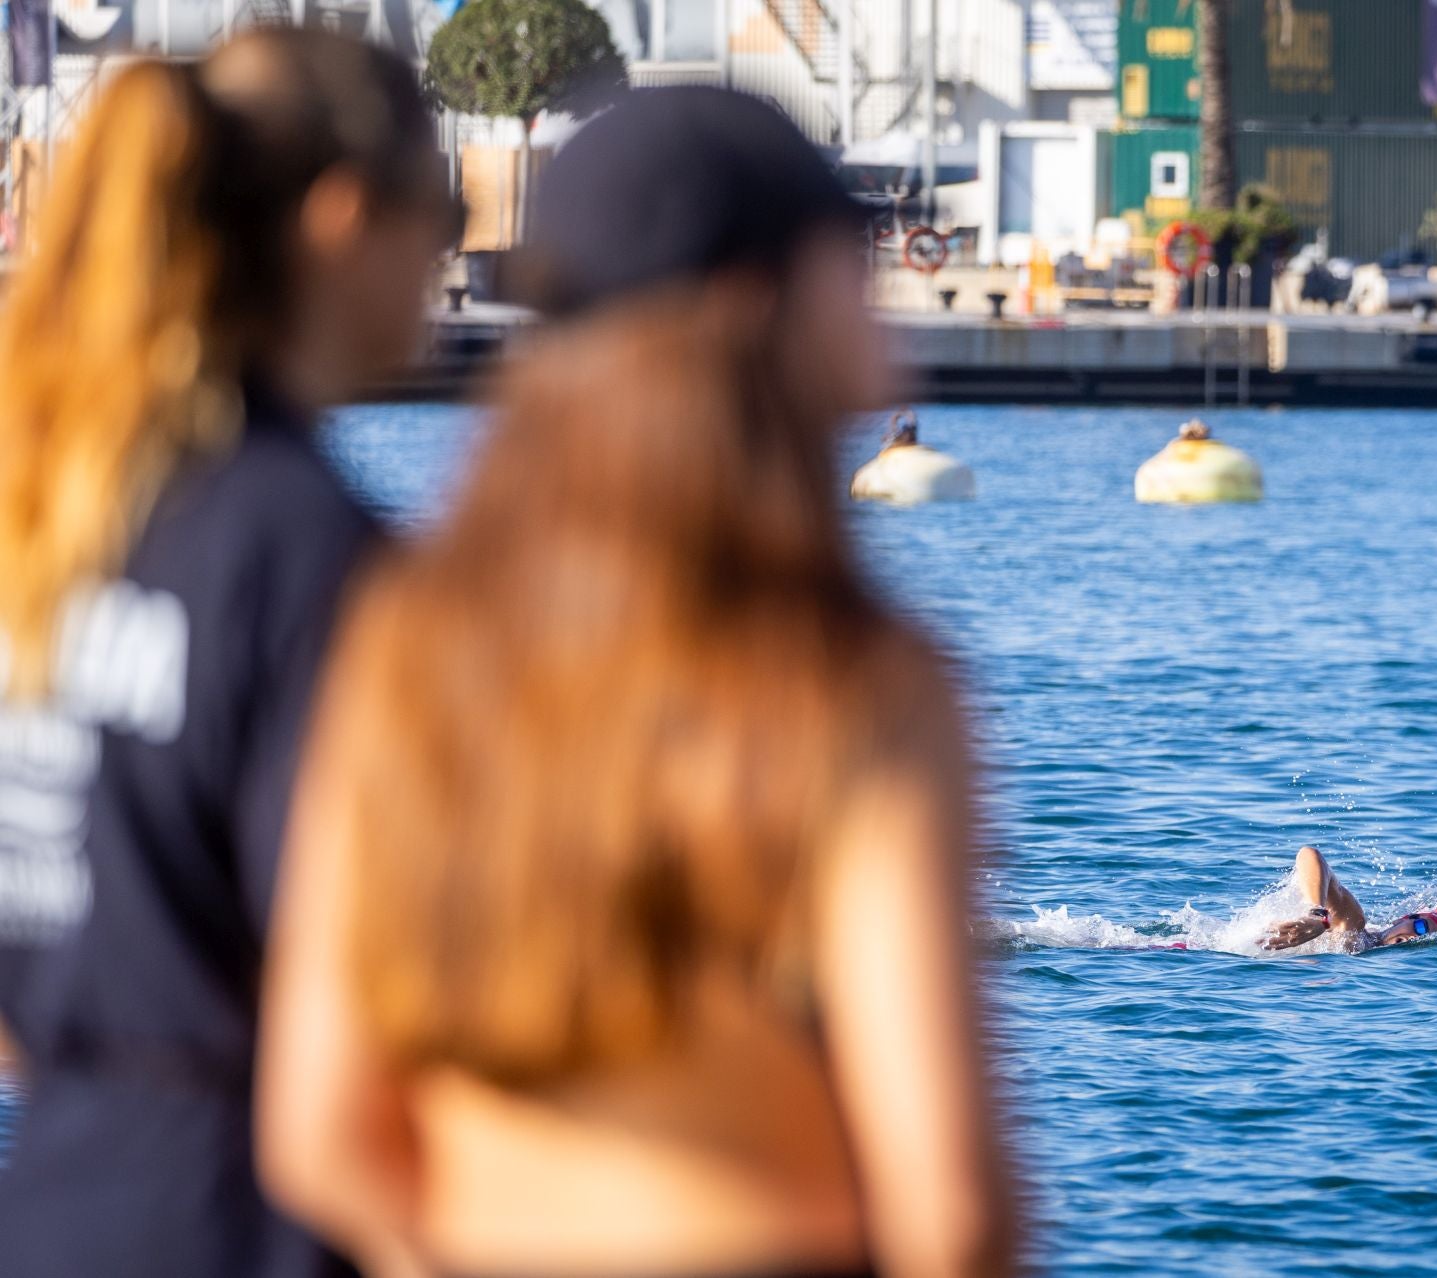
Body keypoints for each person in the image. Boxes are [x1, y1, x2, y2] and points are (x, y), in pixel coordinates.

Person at [258, 87, 1017, 1278]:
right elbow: (954, 1213)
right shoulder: (855, 688)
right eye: (852, 270)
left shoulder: (401, 639)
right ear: (750, 302)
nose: (884, 335)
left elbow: (318, 1134)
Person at [0, 31, 455, 1277]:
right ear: (344, 213)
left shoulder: (49, 519)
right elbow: (363, 1026)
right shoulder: (311, 556)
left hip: (56, 1198)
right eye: (440, 212)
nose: (445, 259)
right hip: (253, 1221)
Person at [1263, 846, 1437, 952]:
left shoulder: (1364, 948)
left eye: (1425, 939)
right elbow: (1309, 854)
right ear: (1404, 919)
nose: (1412, 939)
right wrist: (1316, 915)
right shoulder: (1354, 927)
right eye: (1420, 928)